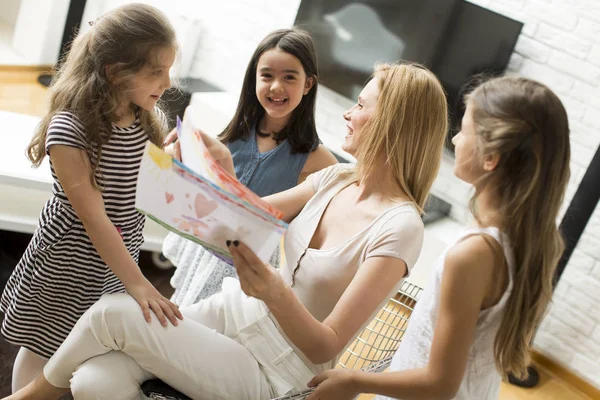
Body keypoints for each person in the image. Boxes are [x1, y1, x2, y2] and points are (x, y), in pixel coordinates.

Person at [4, 62, 449, 400]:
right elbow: (242, 215)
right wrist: (215, 167)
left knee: (112, 312)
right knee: (94, 380)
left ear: (393, 121)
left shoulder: (401, 227)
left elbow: (324, 346)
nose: (348, 115)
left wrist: (275, 292)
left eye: (361, 105)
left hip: (278, 366)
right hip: (233, 313)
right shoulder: (337, 178)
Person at [305, 75, 571, 400]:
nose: (456, 140)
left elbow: (440, 383)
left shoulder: (473, 254)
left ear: (491, 158)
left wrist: (354, 380)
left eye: (465, 131)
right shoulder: (526, 237)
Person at [0, 3, 183, 393]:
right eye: (156, 71)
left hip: (117, 257)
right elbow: (94, 218)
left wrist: (177, 164)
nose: (168, 82)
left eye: (169, 69)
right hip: (69, 261)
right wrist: (139, 284)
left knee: (86, 344)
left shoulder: (144, 119)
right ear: (116, 72)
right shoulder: (70, 129)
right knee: (45, 346)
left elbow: (150, 188)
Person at [162, 28, 337, 307]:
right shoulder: (234, 135)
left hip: (249, 271)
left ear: (308, 84)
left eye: (289, 77)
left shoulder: (319, 162)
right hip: (208, 252)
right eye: (266, 75)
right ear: (254, 78)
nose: (276, 86)